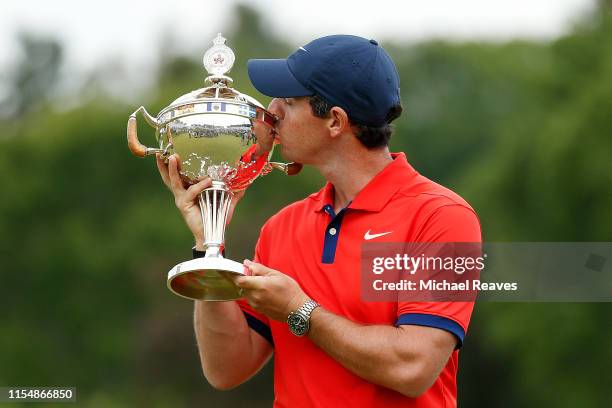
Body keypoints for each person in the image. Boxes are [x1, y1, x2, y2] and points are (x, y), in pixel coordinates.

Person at [157, 35, 481, 407]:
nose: (271, 111)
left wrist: (300, 310)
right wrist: (207, 249)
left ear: (335, 122)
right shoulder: (283, 226)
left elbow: (412, 368)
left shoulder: (442, 218)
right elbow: (226, 369)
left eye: (289, 102)